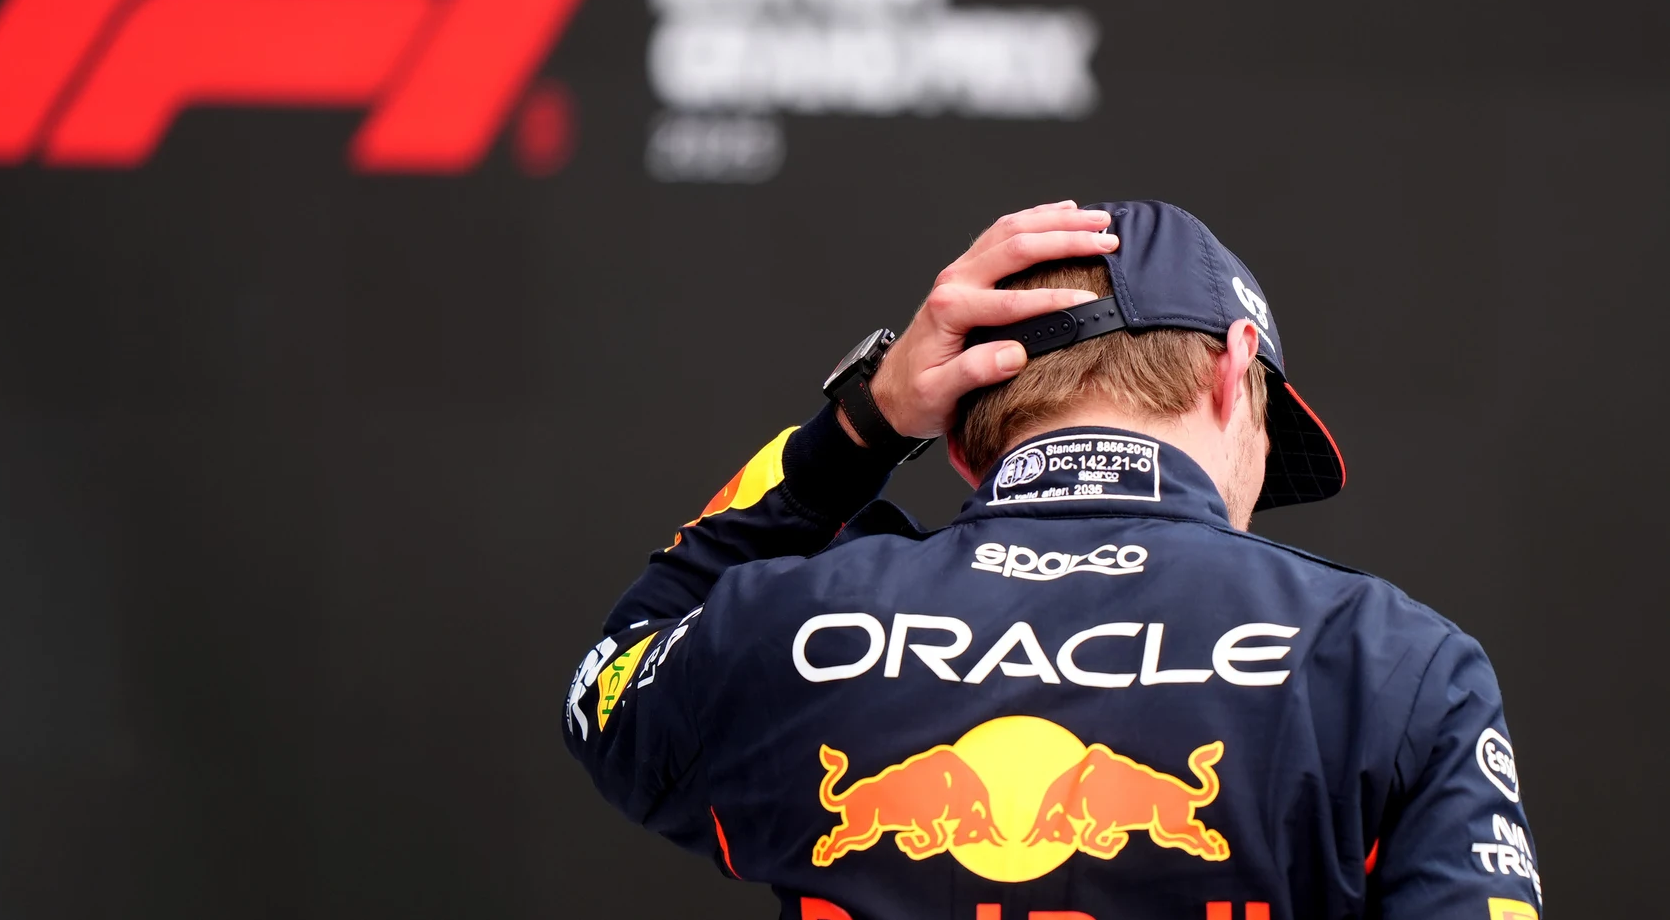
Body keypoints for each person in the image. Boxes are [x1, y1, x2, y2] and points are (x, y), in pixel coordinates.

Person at [563, 200, 1540, 920]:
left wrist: (856, 429)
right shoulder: (1395, 662)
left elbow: (603, 687)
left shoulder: (786, 620)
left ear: (957, 441)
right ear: (1232, 364)